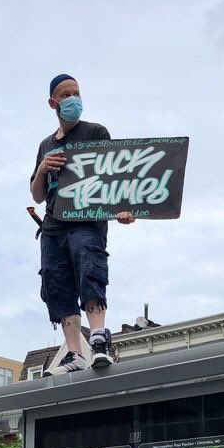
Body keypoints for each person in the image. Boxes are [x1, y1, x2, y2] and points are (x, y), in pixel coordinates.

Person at [30, 73, 135, 375]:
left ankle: (99, 340)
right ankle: (74, 353)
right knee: (56, 282)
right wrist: (41, 170)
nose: (73, 98)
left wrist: (124, 207)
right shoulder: (46, 145)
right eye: (66, 95)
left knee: (88, 266)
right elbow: (36, 195)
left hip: (85, 220)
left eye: (76, 92)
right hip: (52, 225)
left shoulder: (94, 132)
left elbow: (114, 173)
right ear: (53, 103)